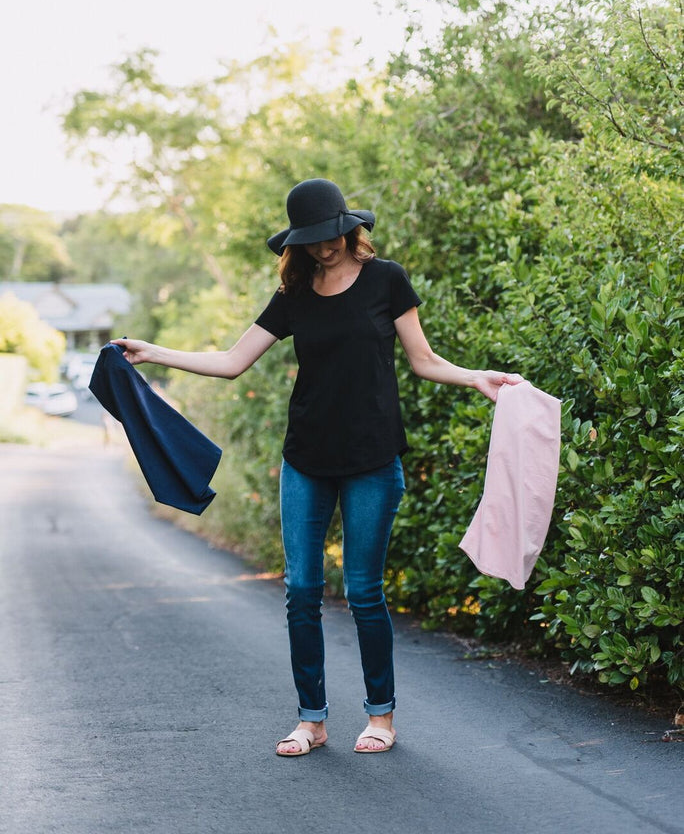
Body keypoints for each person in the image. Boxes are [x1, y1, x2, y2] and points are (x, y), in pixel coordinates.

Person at [114, 178, 522, 757]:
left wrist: (476, 377)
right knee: (301, 589)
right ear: (297, 243)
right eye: (311, 241)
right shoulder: (296, 294)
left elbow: (423, 360)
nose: (323, 248)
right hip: (306, 459)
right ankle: (312, 720)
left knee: (363, 592)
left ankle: (380, 717)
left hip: (372, 460)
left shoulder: (387, 280)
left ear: (349, 228)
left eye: (330, 236)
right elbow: (234, 361)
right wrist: (153, 352)